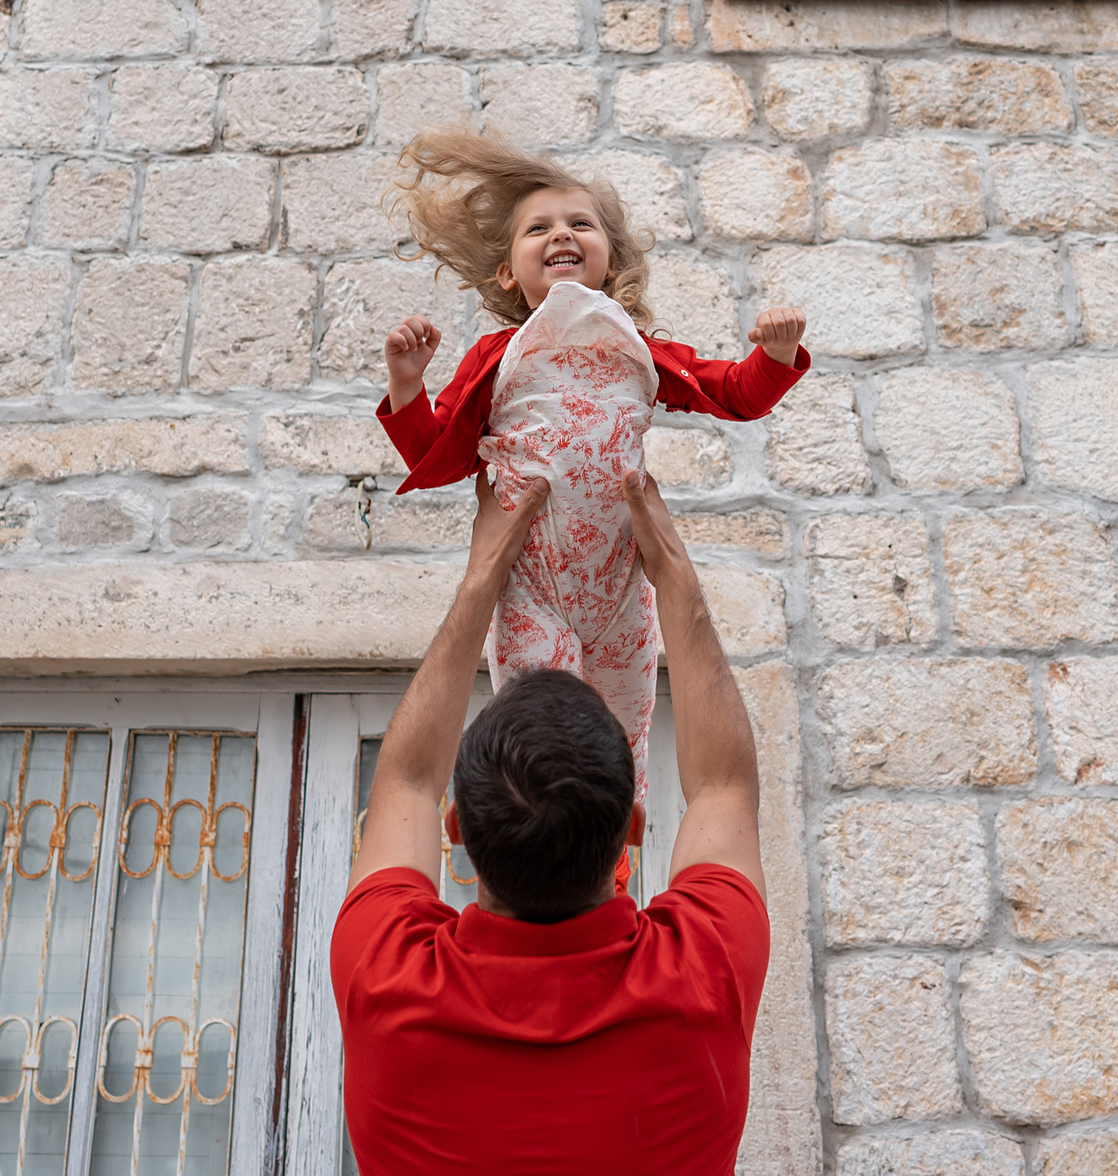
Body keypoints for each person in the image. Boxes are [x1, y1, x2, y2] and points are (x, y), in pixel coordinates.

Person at [331, 466, 768, 1175]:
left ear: (456, 830)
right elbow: (724, 786)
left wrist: (482, 580)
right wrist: (675, 579)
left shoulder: (384, 979)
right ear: (633, 827)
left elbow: (406, 782)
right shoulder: (704, 976)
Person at [379, 130, 807, 815]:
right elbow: (443, 456)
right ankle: (522, 847)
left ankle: (616, 854)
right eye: (539, 228)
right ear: (508, 275)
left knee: (621, 747)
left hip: (620, 590)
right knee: (540, 742)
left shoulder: (636, 348)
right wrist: (407, 385)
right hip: (535, 588)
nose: (562, 233)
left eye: (581, 224)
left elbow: (732, 392)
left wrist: (776, 357)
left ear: (609, 261)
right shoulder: (499, 356)